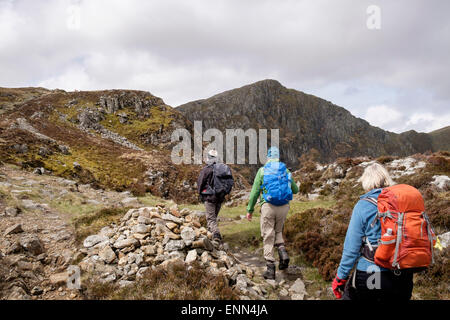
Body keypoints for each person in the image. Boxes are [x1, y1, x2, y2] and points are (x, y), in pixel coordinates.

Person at [332, 163, 414, 301]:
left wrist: (341, 277)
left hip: (373, 273)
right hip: (403, 274)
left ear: (366, 182)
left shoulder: (363, 206)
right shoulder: (404, 201)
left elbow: (351, 249)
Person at [246, 146, 299, 280]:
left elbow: (254, 193)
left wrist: (250, 210)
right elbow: (295, 189)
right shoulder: (285, 170)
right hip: (284, 206)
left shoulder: (262, 171)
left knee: (268, 235)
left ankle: (270, 269)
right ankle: (282, 253)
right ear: (278, 157)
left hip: (268, 206)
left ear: (268, 157)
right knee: (278, 231)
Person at [197, 149, 234, 245]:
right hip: (220, 197)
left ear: (208, 157)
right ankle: (210, 237)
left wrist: (200, 193)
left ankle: (216, 236)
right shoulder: (223, 169)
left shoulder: (207, 169)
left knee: (211, 219)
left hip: (209, 197)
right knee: (213, 217)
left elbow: (201, 183)